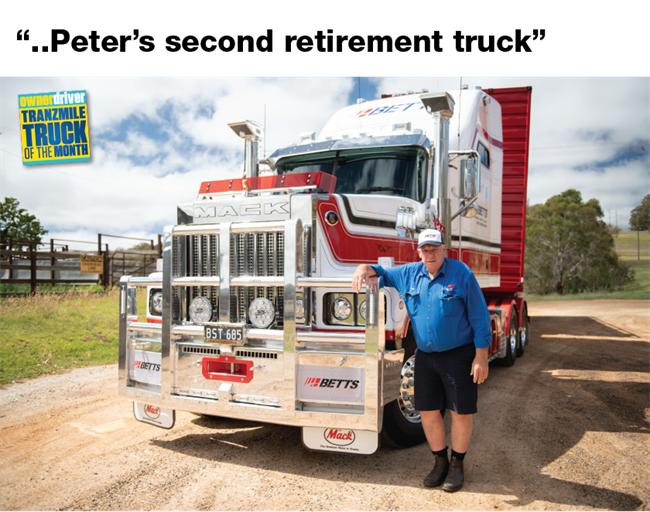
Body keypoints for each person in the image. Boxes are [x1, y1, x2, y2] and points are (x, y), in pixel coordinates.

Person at [352, 229, 491, 492]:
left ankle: (457, 466)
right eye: (425, 249)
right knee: (426, 411)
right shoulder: (408, 273)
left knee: (460, 412)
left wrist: (481, 356)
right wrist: (362, 268)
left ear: (444, 249)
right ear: (418, 252)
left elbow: (479, 316)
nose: (430, 254)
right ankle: (439, 462)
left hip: (459, 355)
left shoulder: (461, 274)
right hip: (425, 357)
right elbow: (378, 274)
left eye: (434, 248)